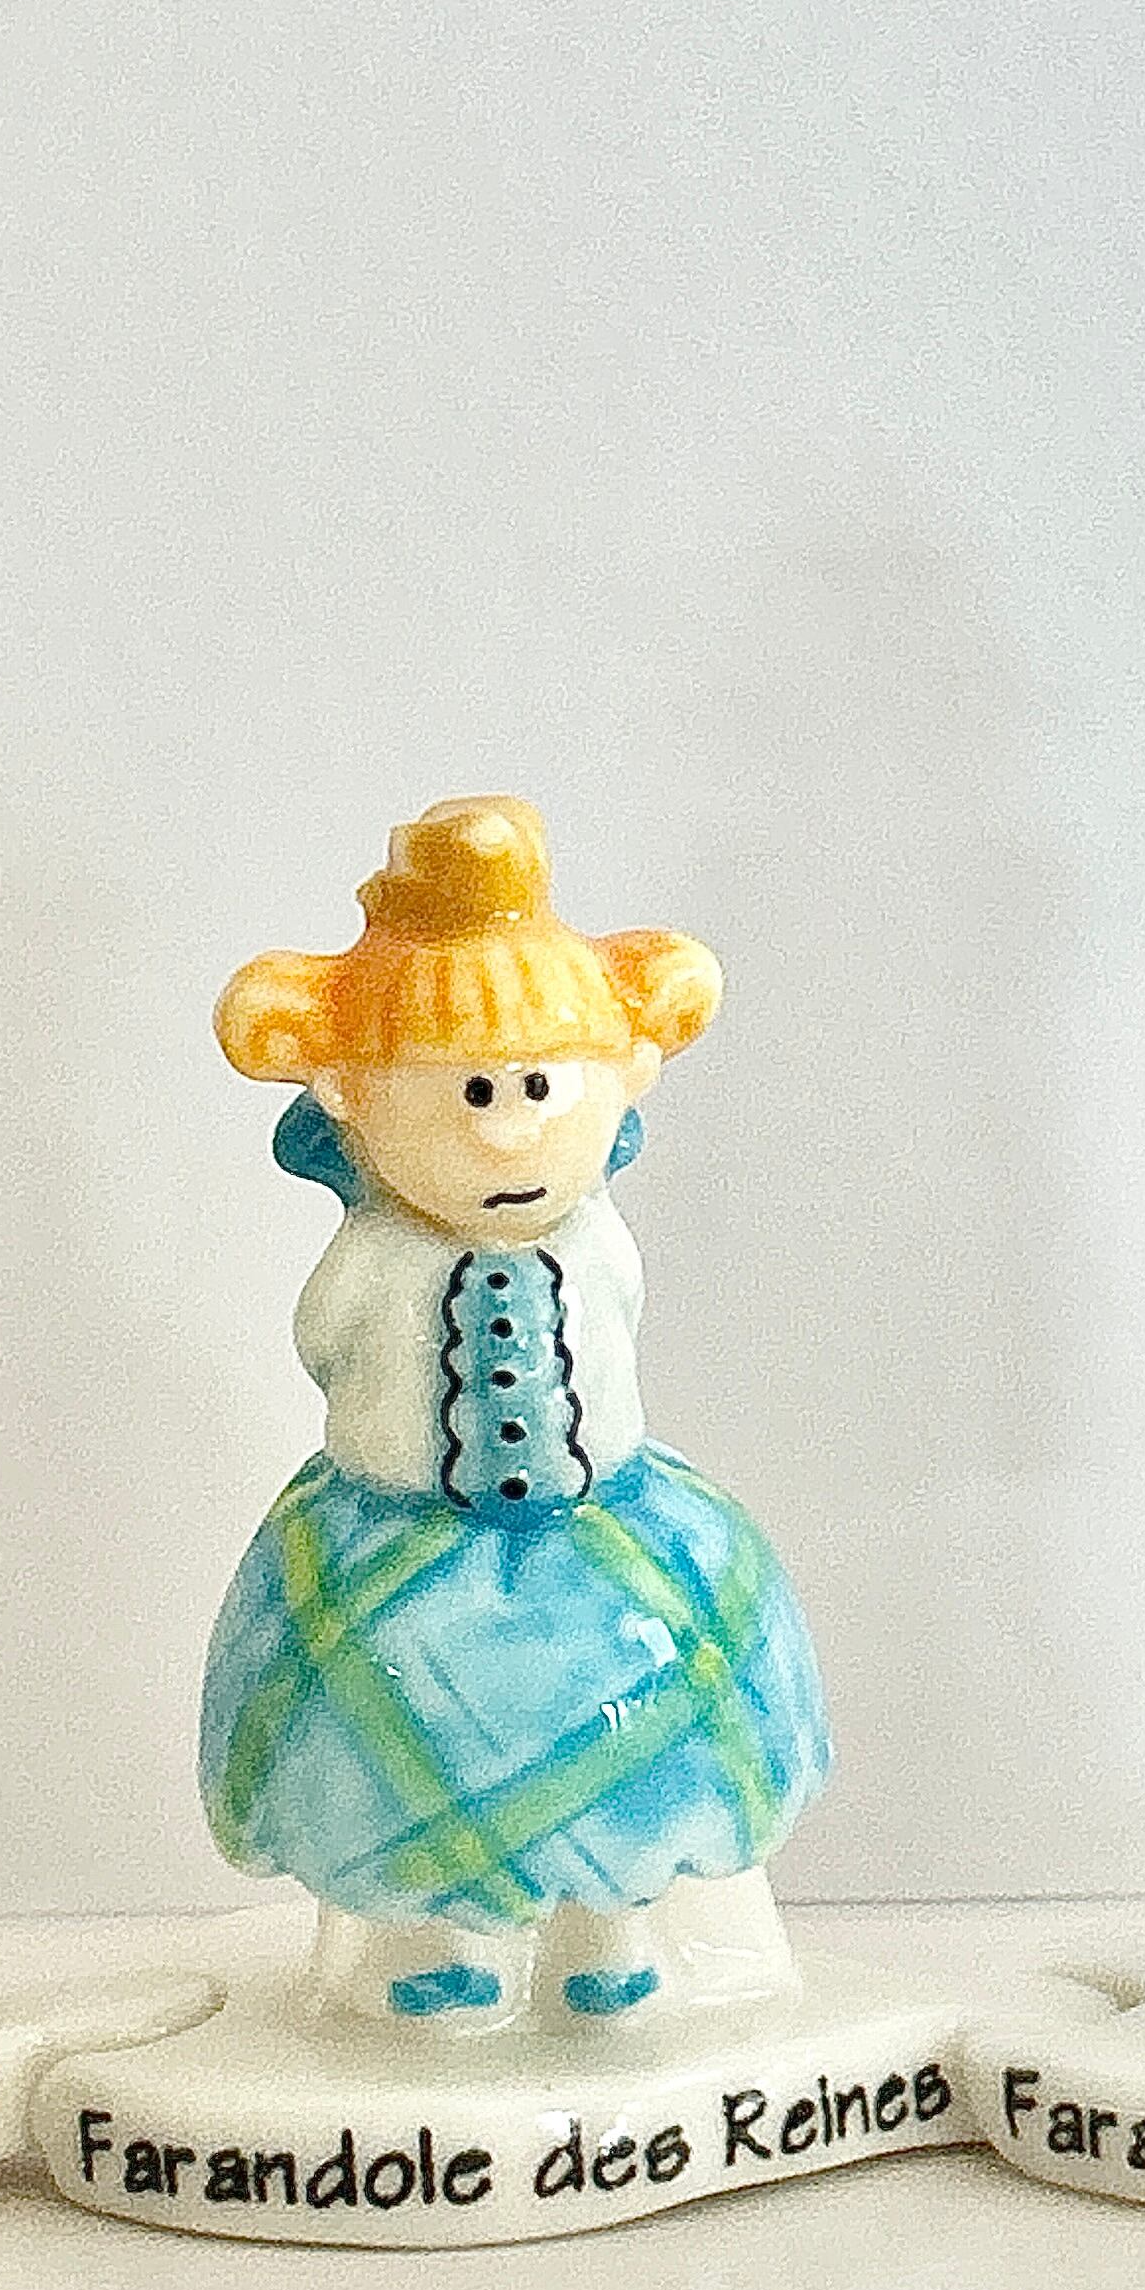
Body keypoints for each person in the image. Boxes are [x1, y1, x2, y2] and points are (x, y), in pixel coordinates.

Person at [204, 795, 831, 2027]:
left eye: (541, 1086)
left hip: (602, 1530)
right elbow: (333, 1350)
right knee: (416, 1756)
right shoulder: (379, 1260)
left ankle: (615, 1942)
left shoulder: (596, 1243)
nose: (511, 1129)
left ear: (623, 1081)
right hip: (403, 1546)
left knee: (632, 1744)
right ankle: (445, 1956)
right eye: (471, 1093)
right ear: (350, 1097)